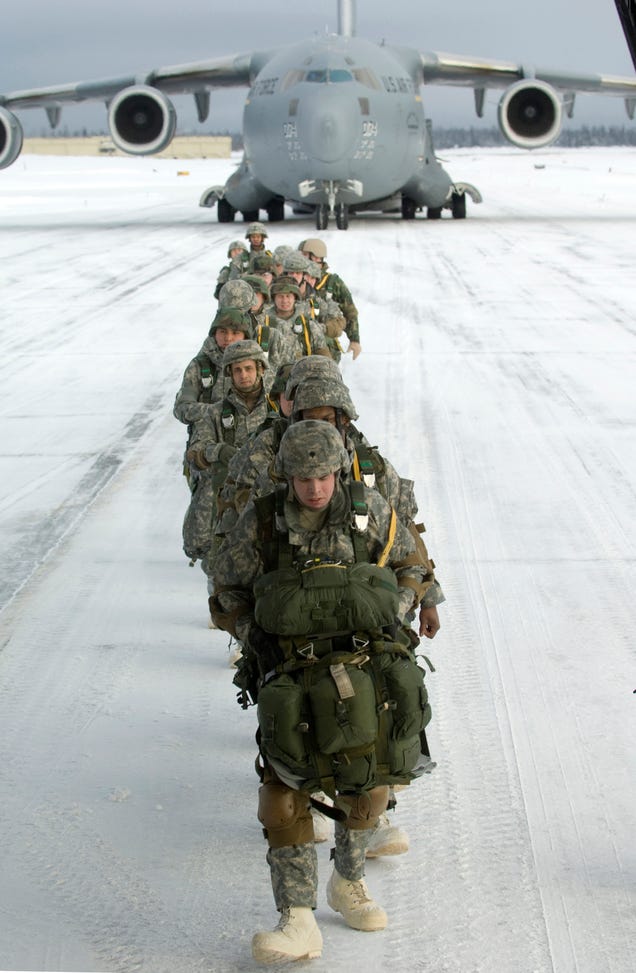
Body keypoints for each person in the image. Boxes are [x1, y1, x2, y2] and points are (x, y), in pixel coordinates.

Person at [211, 421, 436, 965]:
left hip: (367, 664)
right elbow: (227, 590)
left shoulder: (371, 509)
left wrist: (406, 606)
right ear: (286, 473)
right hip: (290, 669)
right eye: (304, 476)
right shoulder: (262, 523)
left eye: (324, 475)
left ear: (339, 468)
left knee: (368, 778)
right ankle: (296, 919)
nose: (315, 487)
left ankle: (349, 881)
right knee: (283, 786)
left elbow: (414, 565)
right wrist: (250, 636)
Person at [183, 340, 275, 617]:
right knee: (216, 553)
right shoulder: (215, 413)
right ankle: (223, 604)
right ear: (229, 374)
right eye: (237, 370)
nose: (244, 375)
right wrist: (217, 451)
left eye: (249, 368)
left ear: (260, 370)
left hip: (264, 495)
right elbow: (195, 452)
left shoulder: (275, 411)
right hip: (224, 497)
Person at [173, 308, 253, 489]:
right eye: (222, 332)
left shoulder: (255, 366)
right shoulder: (200, 366)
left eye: (235, 333)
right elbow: (182, 408)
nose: (228, 338)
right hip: (207, 457)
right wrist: (215, 412)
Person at [299, 238, 362, 359]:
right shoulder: (295, 278)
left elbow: (350, 311)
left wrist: (354, 339)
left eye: (306, 255)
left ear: (317, 257)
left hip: (326, 341)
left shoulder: (332, 283)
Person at [268, 277, 332, 362]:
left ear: (295, 297)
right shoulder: (264, 320)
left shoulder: (307, 323)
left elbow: (323, 354)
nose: (284, 300)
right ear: (274, 298)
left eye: (288, 296)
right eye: (280, 296)